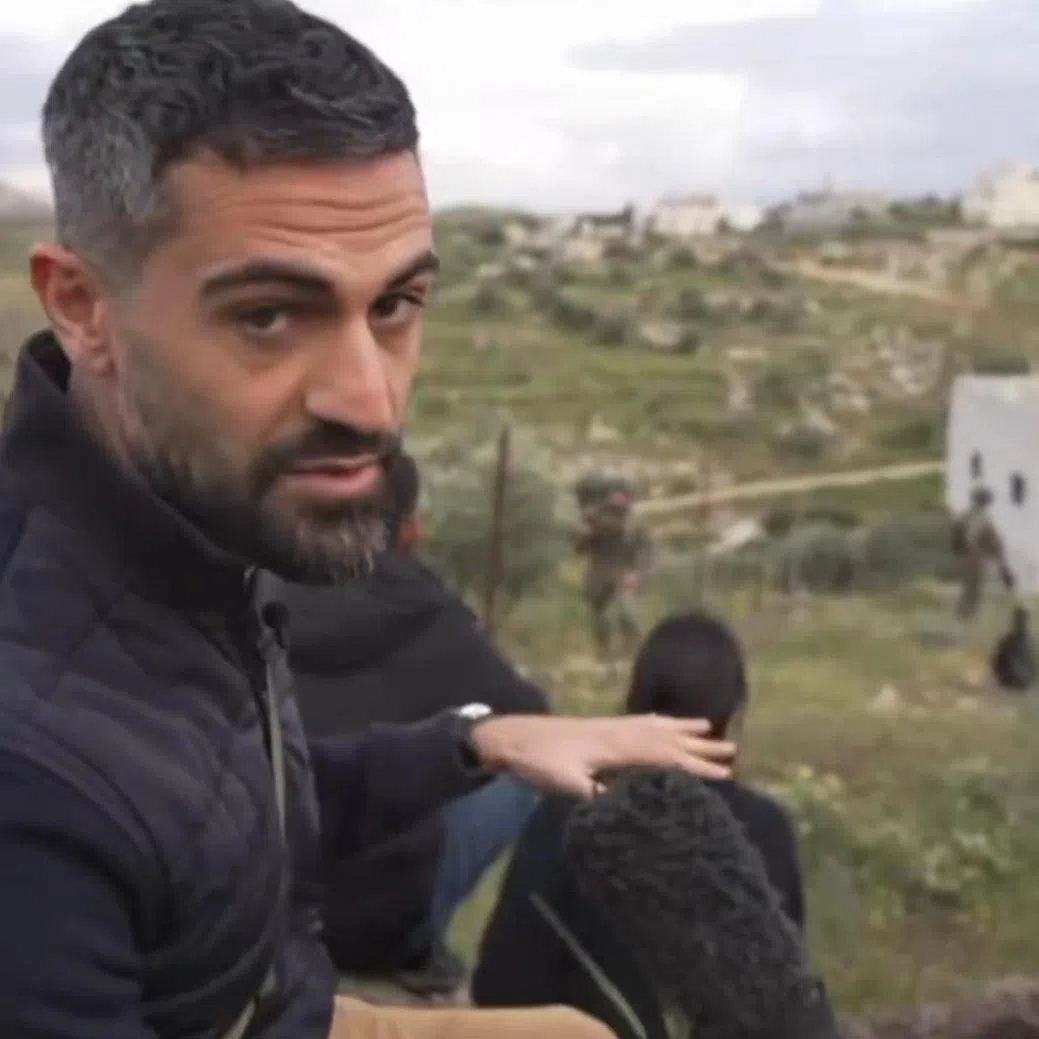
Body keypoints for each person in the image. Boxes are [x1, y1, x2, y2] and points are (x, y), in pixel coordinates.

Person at [0, 3, 737, 1038]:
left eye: (394, 306)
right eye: (268, 314)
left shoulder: (184, 530)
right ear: (82, 308)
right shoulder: (31, 775)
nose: (371, 401)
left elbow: (221, 814)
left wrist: (480, 742)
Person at [273, 452, 545, 1001]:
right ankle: (417, 941)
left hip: (264, 891)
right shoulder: (425, 609)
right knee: (522, 762)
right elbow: (531, 719)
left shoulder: (258, 587)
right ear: (412, 528)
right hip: (380, 914)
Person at [472, 611, 805, 1039]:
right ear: (734, 709)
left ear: (634, 703)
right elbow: (789, 1008)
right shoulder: (766, 830)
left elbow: (499, 989)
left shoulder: (565, 817)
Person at [574, 476, 652, 654]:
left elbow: (645, 550)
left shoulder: (634, 521)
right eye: (614, 494)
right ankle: (604, 652)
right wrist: (583, 535)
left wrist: (638, 573)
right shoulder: (594, 517)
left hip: (623, 570)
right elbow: (580, 549)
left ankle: (633, 652)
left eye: (622, 495)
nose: (618, 498)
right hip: (599, 569)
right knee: (599, 617)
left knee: (627, 613)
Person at [953, 487, 1014, 622]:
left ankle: (962, 618)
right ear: (986, 502)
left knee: (968, 590)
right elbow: (995, 545)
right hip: (975, 559)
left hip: (965, 558)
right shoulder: (983, 519)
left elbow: (957, 540)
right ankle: (964, 619)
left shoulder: (965, 516)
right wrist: (1003, 568)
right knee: (973, 592)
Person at [991, 605, 1037, 692]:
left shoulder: (1009, 640)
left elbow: (996, 662)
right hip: (1017, 682)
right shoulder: (1028, 643)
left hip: (1010, 681)